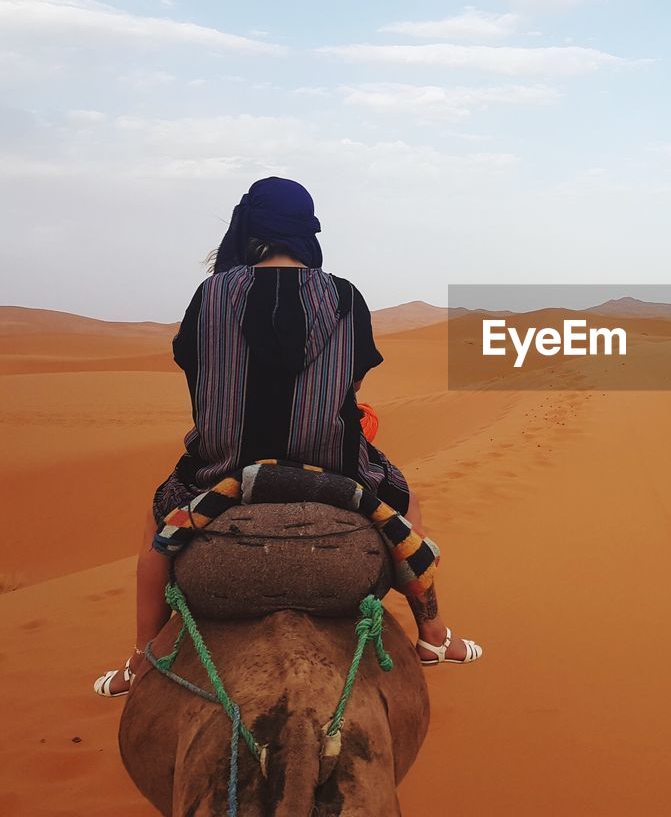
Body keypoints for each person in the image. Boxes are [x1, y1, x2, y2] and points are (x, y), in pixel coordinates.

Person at [94, 176, 481, 697]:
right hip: (335, 467)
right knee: (408, 508)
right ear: (306, 230)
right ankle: (433, 636)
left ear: (252, 228)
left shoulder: (211, 294)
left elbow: (194, 368)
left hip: (222, 470)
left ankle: (140, 658)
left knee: (154, 523)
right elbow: (353, 381)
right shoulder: (344, 296)